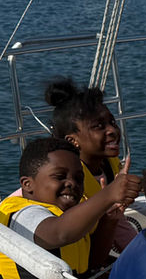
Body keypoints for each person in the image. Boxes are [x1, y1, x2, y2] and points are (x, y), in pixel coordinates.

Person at [0, 137, 140, 279]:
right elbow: (58, 233)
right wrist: (108, 194)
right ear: (27, 185)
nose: (72, 183)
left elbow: (92, 263)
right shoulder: (25, 214)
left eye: (78, 178)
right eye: (59, 176)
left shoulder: (68, 216)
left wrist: (108, 221)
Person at [45, 76, 139, 250]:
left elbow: (116, 223)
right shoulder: (67, 182)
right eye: (98, 126)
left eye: (111, 122)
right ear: (73, 141)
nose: (112, 130)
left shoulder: (109, 163)